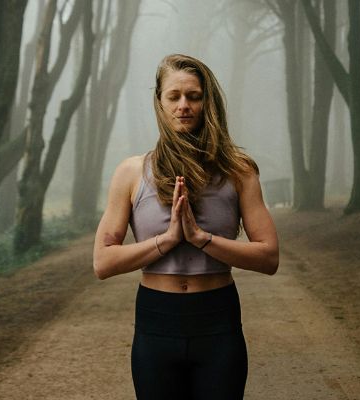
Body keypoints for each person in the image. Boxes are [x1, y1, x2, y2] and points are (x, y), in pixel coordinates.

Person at [92, 53, 279, 400]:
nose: (184, 106)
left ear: (208, 101)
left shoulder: (239, 171)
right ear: (159, 103)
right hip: (156, 322)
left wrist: (200, 239)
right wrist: (167, 240)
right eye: (173, 96)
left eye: (194, 96)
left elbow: (269, 257)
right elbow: (102, 263)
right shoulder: (131, 173)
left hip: (217, 321)